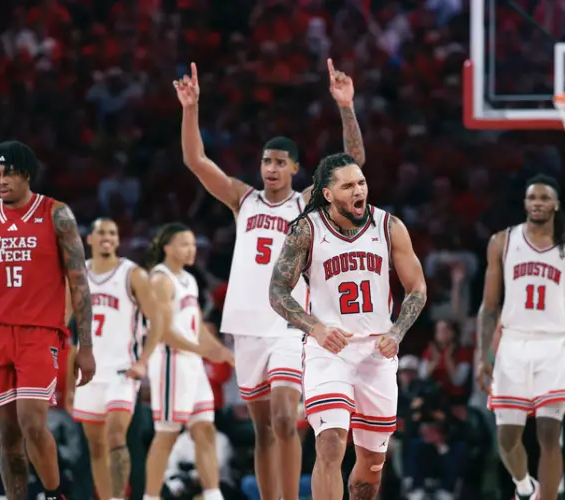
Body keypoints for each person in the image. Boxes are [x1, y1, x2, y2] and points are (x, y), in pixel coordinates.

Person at [173, 59, 365, 500]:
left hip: (288, 325)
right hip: (246, 325)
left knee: (284, 418)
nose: (271, 168)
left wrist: (346, 107)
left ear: (296, 168)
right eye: (265, 161)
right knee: (261, 430)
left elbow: (353, 163)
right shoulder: (244, 198)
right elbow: (194, 159)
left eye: (280, 162)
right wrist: (190, 108)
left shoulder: (306, 203)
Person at [268, 152, 427, 500]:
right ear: (328, 194)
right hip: (329, 352)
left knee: (370, 469)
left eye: (361, 182)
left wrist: (397, 332)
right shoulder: (307, 230)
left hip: (376, 354)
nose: (359, 190)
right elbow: (277, 292)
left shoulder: (389, 227)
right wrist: (316, 329)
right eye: (348, 185)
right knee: (329, 445)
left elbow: (416, 288)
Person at [0, 140, 96, 500]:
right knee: (8, 437)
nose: (2, 181)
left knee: (32, 423)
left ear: (26, 174)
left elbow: (79, 283)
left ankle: (56, 493)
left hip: (40, 332)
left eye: (8, 174)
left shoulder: (57, 214)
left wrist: (86, 347)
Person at [475, 174, 565, 500]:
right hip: (513, 343)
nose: (538, 203)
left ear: (556, 204)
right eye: (532, 198)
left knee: (549, 433)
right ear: (525, 203)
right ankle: (524, 487)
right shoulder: (502, 242)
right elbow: (489, 309)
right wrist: (483, 357)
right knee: (507, 437)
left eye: (545, 198)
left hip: (556, 343)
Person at [65, 218, 166, 500]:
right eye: (102, 232)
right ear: (90, 239)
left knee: (115, 436)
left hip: (123, 371)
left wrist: (143, 361)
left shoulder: (132, 274)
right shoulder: (77, 276)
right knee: (95, 446)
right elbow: (65, 328)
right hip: (88, 373)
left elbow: (157, 321)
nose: (107, 237)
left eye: (113, 232)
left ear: (118, 240)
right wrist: (67, 383)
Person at [143, 223, 234, 500]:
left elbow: (198, 331)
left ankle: (212, 494)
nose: (192, 249)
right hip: (171, 362)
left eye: (194, 244)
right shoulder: (160, 280)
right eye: (185, 244)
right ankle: (151, 496)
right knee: (167, 433)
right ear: (167, 248)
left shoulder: (189, 280)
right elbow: (162, 332)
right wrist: (202, 350)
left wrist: (225, 353)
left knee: (205, 428)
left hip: (191, 363)